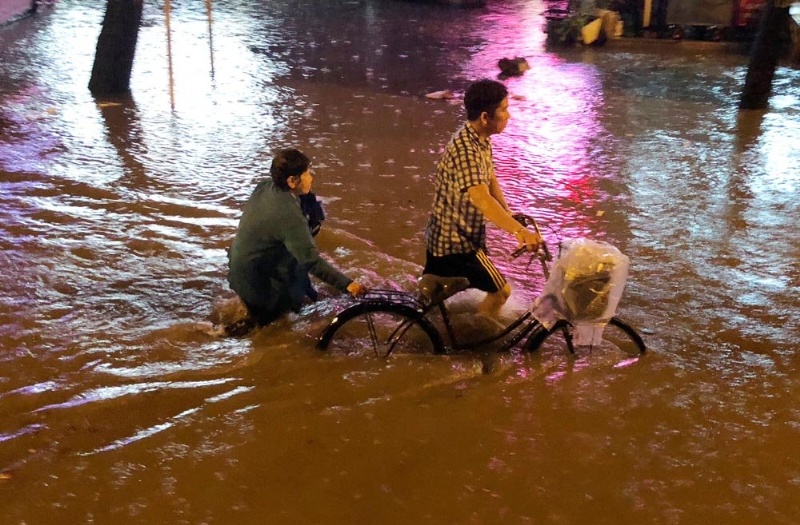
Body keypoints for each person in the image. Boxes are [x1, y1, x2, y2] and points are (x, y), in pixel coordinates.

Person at [423, 79, 541, 316]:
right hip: (457, 244)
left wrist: (509, 216)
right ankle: (477, 338)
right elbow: (481, 198)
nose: (508, 116)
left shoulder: (479, 139)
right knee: (501, 293)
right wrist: (520, 232)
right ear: (486, 117)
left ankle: (433, 301)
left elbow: (490, 180)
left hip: (444, 235)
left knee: (436, 302)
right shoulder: (467, 151)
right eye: (504, 110)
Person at [228, 148, 366, 328]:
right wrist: (348, 285)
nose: (311, 178)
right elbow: (311, 261)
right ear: (292, 181)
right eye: (307, 174)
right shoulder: (288, 215)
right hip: (258, 287)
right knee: (274, 328)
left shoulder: (264, 186)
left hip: (240, 274)